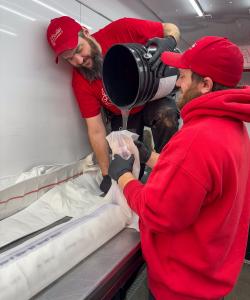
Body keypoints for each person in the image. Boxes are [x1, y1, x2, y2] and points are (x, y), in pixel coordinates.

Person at [108, 36, 250, 300]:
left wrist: (124, 176)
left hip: (182, 287)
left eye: (183, 76)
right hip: (210, 273)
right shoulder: (232, 127)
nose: (177, 84)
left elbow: (157, 211)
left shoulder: (197, 138)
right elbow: (197, 179)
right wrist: (150, 157)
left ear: (205, 84)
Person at [46, 16, 181, 194]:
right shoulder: (80, 81)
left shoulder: (122, 29)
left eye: (79, 50)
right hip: (123, 114)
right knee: (128, 167)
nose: (78, 61)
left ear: (86, 33)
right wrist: (106, 174)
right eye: (69, 59)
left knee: (167, 114)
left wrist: (169, 41)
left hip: (150, 99)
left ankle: (170, 174)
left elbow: (171, 26)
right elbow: (96, 130)